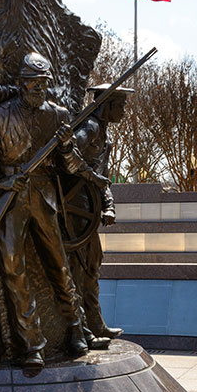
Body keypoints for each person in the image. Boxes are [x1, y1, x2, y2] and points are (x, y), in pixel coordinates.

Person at [0, 52, 97, 366]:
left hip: (44, 198)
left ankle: (76, 328)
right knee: (12, 268)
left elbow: (71, 165)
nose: (38, 88)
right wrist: (4, 184)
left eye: (44, 83)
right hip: (9, 203)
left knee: (59, 265)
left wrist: (67, 146)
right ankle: (32, 342)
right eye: (33, 82)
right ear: (21, 83)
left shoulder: (58, 115)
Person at [68, 83, 132, 343]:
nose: (124, 112)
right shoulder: (90, 128)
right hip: (75, 215)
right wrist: (90, 176)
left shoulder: (103, 133)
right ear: (107, 105)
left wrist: (109, 205)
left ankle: (95, 324)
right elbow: (67, 156)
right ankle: (82, 331)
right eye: (121, 106)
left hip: (89, 212)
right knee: (78, 271)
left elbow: (103, 179)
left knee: (92, 267)